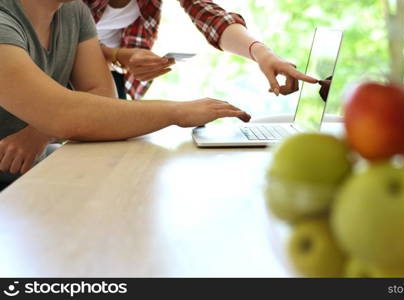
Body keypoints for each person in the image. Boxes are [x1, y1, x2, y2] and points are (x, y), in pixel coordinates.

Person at [0, 0, 256, 190]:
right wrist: (179, 111)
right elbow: (62, 114)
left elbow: (103, 99)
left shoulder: (74, 12)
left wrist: (43, 130)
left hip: (30, 178)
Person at [82, 0, 319, 100]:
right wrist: (116, 56)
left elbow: (212, 19)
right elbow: (62, 35)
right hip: (65, 65)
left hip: (112, 74)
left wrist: (261, 53)